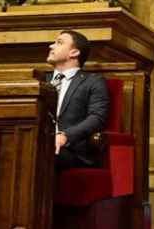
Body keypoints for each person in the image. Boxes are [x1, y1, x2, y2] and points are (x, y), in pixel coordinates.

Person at [47, 30, 109, 171]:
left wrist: (65, 136)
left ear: (74, 53)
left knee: (44, 153)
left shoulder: (93, 82)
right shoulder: (40, 80)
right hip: (38, 143)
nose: (51, 46)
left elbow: (97, 118)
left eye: (59, 42)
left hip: (72, 150)